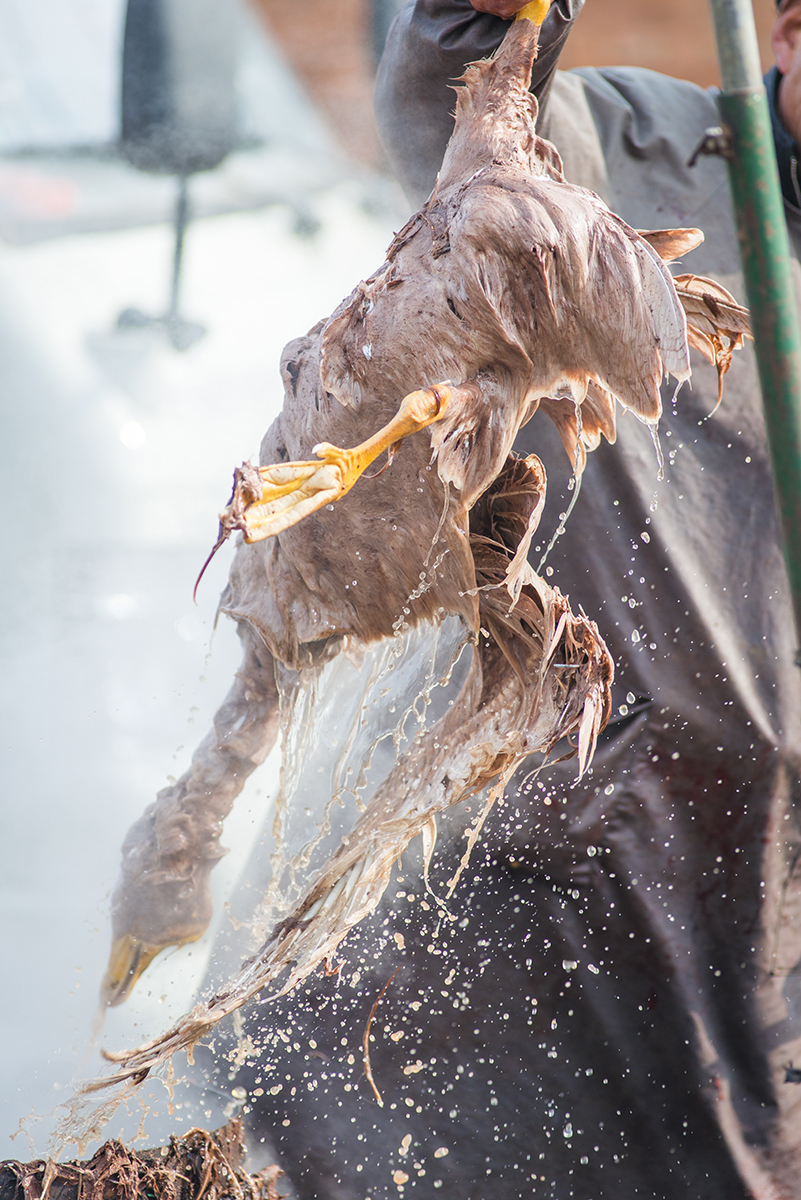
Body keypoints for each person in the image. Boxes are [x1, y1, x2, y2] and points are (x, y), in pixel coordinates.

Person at [196, 4, 801, 1197]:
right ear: (784, 27)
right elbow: (460, 94)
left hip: (739, 1019)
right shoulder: (627, 156)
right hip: (468, 957)